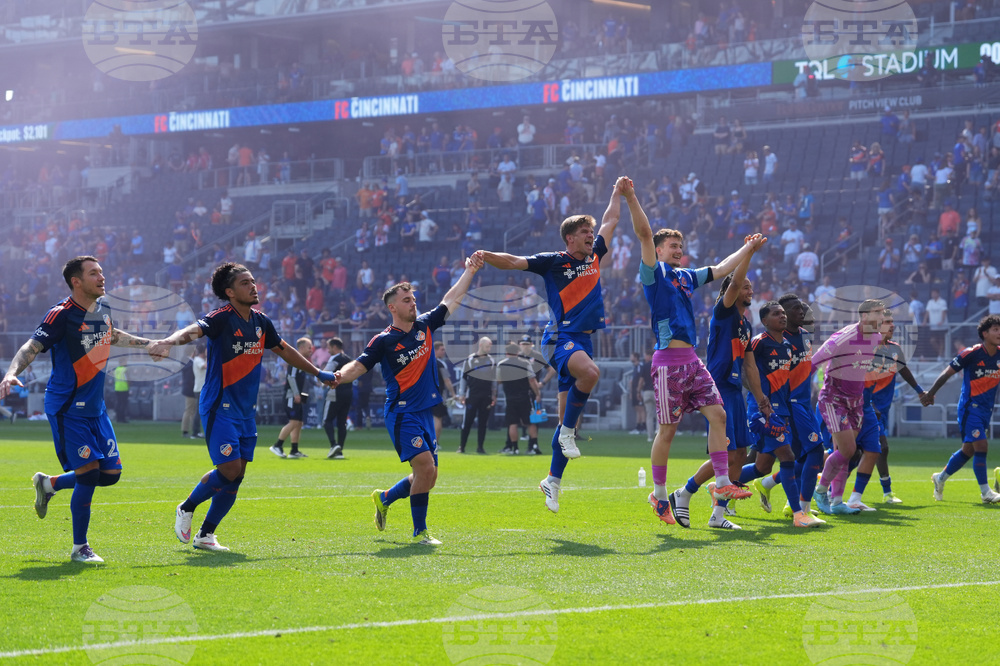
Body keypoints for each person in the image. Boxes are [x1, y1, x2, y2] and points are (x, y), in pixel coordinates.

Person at [150, 262, 335, 552]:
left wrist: (317, 372)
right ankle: (186, 507)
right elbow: (194, 330)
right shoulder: (221, 317)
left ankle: (206, 535)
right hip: (218, 406)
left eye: (253, 281)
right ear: (230, 292)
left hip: (246, 410)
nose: (253, 286)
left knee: (237, 476)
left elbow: (285, 351)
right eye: (245, 283)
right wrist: (169, 341)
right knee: (229, 468)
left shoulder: (262, 322)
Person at [618, 177, 759, 528]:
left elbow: (723, 269)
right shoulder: (654, 275)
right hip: (667, 362)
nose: (678, 250)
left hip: (692, 362)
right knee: (667, 431)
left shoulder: (685, 277)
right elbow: (644, 235)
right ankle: (659, 493)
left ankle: (723, 483)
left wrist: (748, 248)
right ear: (660, 250)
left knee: (719, 416)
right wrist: (632, 197)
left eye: (681, 245)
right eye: (672, 246)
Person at [479, 179, 626, 513]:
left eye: (592, 230)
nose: (593, 235)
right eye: (585, 231)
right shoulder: (552, 261)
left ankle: (552, 482)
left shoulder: (594, 257)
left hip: (581, 340)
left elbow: (611, 221)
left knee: (565, 424)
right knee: (591, 374)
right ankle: (567, 435)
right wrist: (487, 256)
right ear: (570, 237)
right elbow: (514, 261)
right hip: (560, 338)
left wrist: (618, 193)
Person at [0, 256, 159, 563]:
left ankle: (50, 484)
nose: (102, 277)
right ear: (76, 281)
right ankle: (79, 548)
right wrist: (10, 372)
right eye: (94, 273)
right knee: (88, 474)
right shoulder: (60, 315)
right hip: (68, 407)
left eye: (101, 271)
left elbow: (111, 335)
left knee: (111, 473)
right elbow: (31, 346)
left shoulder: (103, 309)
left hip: (96, 409)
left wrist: (147, 343)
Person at [326, 254, 484, 545]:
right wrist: (338, 376)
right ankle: (420, 532)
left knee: (429, 476)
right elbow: (359, 366)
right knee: (424, 467)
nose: (413, 303)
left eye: (414, 298)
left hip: (425, 411)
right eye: (407, 300)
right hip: (402, 413)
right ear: (392, 307)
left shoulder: (425, 326)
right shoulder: (383, 340)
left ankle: (385, 498)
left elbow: (452, 298)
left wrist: (470, 271)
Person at [677, 238, 767, 530]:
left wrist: (761, 398)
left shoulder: (746, 325)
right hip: (717, 389)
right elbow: (733, 283)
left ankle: (718, 516)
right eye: (745, 286)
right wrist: (747, 255)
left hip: (736, 390)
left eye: (751, 287)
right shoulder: (723, 311)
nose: (749, 290)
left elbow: (750, 365)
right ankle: (685, 492)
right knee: (726, 454)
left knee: (740, 453)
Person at [741, 301, 824, 527]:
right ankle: (798, 513)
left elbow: (787, 381)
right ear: (765, 320)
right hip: (763, 410)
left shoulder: (788, 346)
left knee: (762, 466)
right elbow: (744, 371)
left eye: (782, 313)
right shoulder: (758, 343)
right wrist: (760, 402)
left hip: (783, 410)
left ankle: (721, 488)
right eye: (777, 314)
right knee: (788, 456)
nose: (782, 317)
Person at [810, 299, 885, 514]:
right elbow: (815, 361)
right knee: (848, 450)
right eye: (877, 312)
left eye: (883, 313)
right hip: (834, 400)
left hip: (857, 402)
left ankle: (836, 502)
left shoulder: (877, 338)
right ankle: (820, 490)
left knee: (844, 452)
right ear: (863, 316)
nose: (882, 317)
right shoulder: (844, 337)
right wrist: (797, 392)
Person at [921, 315, 1000, 504]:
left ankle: (940, 478)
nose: (999, 333)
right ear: (984, 333)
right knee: (981, 445)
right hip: (969, 408)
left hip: (986, 411)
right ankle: (986, 493)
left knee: (968, 450)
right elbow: (947, 373)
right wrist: (930, 393)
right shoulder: (970, 353)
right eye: (996, 329)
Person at [864, 310, 926, 503]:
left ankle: (884, 493)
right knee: (876, 448)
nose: (892, 325)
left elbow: (904, 369)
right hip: (862, 407)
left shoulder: (894, 349)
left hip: (881, 409)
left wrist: (920, 390)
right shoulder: (865, 349)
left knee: (874, 449)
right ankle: (826, 488)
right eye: (887, 322)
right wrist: (867, 402)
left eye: (892, 321)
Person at [269, 337, 316, 459]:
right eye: (309, 347)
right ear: (301, 348)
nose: (311, 350)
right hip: (291, 396)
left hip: (297, 396)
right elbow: (291, 377)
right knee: (294, 421)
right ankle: (277, 445)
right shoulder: (295, 359)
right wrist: (296, 394)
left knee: (299, 423)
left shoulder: (302, 360)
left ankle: (294, 450)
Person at [497, 343, 542, 455]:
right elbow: (532, 380)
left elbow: (499, 381)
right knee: (530, 422)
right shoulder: (525, 363)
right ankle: (533, 446)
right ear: (518, 352)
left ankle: (515, 448)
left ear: (506, 353)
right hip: (524, 397)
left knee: (512, 423)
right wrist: (537, 393)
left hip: (510, 398)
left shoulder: (501, 364)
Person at [457, 336, 496, 455]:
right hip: (472, 396)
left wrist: (494, 394)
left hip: (486, 396)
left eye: (490, 346)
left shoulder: (492, 361)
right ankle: (462, 447)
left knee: (483, 423)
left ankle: (480, 447)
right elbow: (464, 378)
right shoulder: (470, 360)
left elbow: (494, 380)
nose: (489, 348)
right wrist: (462, 394)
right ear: (480, 345)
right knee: (467, 421)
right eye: (487, 346)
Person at [321, 337, 354, 459]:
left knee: (327, 420)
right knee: (342, 422)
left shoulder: (334, 358)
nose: (328, 350)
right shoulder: (349, 359)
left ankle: (333, 445)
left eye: (329, 347)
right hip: (348, 392)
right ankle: (339, 451)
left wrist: (320, 382)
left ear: (335, 347)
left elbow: (326, 374)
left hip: (335, 392)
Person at [431, 340, 457, 445]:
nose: (444, 352)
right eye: (442, 350)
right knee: (438, 418)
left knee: (426, 419)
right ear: (435, 350)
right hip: (437, 394)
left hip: (425, 394)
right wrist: (453, 394)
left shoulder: (425, 362)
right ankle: (435, 443)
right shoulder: (441, 364)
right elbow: (447, 380)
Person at [181, 345, 207, 439]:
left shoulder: (191, 361)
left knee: (193, 411)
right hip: (193, 389)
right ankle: (189, 431)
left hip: (194, 388)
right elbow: (189, 378)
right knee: (191, 410)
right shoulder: (192, 362)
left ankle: (193, 431)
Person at [113, 358, 129, 423]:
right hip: (124, 388)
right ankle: (122, 418)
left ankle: (118, 418)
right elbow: (128, 378)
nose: (126, 363)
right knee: (123, 404)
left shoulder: (116, 369)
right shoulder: (125, 369)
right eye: (125, 361)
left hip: (117, 388)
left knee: (119, 403)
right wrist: (129, 384)